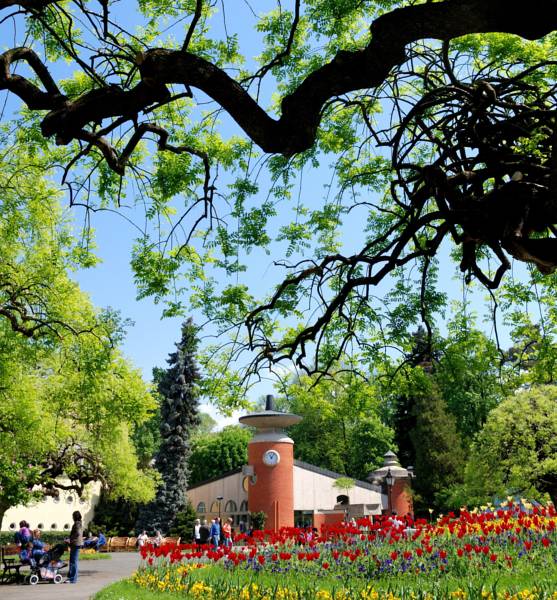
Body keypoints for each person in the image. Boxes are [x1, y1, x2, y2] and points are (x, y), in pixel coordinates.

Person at [65, 510, 83, 584]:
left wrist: (70, 539)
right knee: (72, 561)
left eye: (73, 516)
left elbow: (77, 533)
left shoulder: (77, 524)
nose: (72, 517)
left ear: (75, 516)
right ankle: (70, 577)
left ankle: (73, 579)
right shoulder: (79, 523)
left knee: (73, 562)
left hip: (75, 544)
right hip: (76, 544)